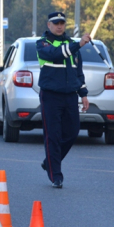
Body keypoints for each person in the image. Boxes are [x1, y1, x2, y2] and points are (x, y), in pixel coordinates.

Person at [36, 11, 91, 188]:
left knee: (72, 132)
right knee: (53, 135)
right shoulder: (42, 44)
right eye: (56, 23)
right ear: (49, 25)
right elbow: (55, 54)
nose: (59, 26)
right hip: (50, 96)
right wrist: (79, 45)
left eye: (62, 23)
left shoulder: (71, 44)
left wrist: (83, 94)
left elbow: (78, 72)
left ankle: (50, 161)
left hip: (69, 96)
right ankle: (56, 175)